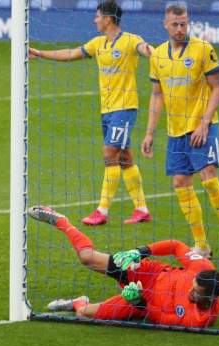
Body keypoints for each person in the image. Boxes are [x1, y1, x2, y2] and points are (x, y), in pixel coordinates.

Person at [29, 1, 152, 226]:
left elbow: (144, 49)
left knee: (109, 153)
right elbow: (71, 53)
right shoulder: (98, 44)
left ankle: (102, 210)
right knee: (124, 158)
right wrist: (40, 53)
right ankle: (142, 208)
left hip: (124, 108)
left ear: (107, 18)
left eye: (97, 16)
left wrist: (156, 53)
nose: (94, 20)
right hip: (107, 109)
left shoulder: (129, 40)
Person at [142, 4, 219, 261]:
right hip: (175, 132)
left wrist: (205, 122)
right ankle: (202, 245)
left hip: (202, 126)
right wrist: (150, 133)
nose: (180, 28)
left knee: (208, 176)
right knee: (180, 183)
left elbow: (218, 87)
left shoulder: (203, 49)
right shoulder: (158, 55)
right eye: (175, 24)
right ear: (165, 24)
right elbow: (156, 95)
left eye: (184, 23)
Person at [29, 205, 219, 328]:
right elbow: (176, 246)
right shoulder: (202, 267)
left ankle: (78, 302)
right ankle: (61, 221)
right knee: (87, 258)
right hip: (150, 273)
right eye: (193, 285)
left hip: (141, 303)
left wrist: (139, 302)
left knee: (84, 315)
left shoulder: (198, 320)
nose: (191, 291)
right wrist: (139, 252)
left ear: (211, 297)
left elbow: (159, 317)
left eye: (196, 292)